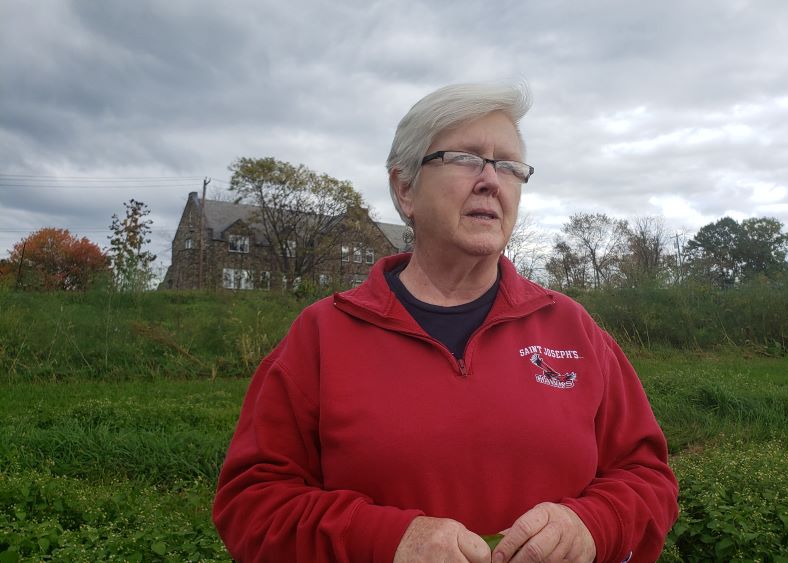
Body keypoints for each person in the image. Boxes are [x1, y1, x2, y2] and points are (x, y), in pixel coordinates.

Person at [213, 82, 679, 563]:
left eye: (509, 166)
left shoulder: (571, 327)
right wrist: (385, 541)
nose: (491, 181)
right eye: (465, 158)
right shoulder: (322, 335)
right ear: (404, 188)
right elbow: (252, 506)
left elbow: (647, 477)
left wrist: (593, 526)